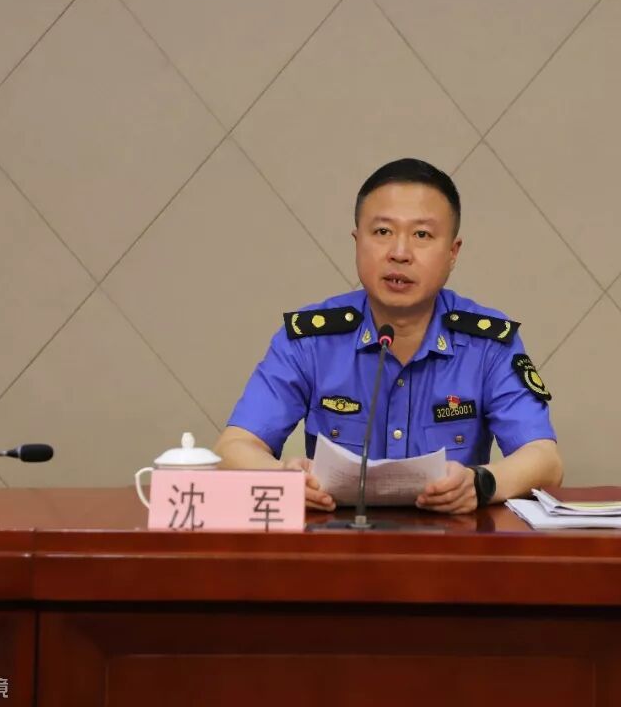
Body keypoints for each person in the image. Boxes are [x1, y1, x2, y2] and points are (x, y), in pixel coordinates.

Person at [214, 158, 562, 514]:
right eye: (382, 232)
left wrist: (480, 483)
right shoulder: (310, 341)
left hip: (452, 540)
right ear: (357, 241)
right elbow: (233, 447)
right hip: (337, 540)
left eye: (422, 235)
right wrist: (283, 479)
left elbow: (545, 460)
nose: (399, 253)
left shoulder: (488, 344)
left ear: (452, 252)